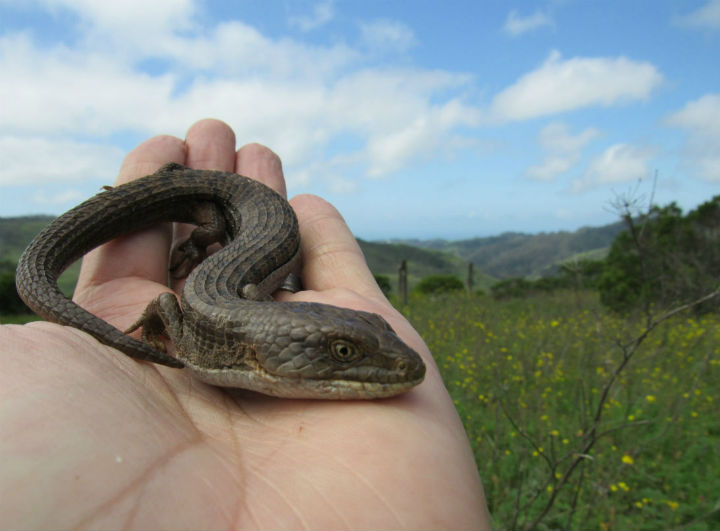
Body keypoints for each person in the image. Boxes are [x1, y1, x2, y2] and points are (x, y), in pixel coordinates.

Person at [0, 119, 490, 529]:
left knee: (197, 214)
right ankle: (156, 193)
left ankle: (160, 193)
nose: (392, 362)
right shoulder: (209, 324)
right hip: (211, 202)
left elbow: (190, 306)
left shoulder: (211, 329)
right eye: (343, 352)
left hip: (231, 211)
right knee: (188, 209)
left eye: (348, 350)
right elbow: (175, 304)